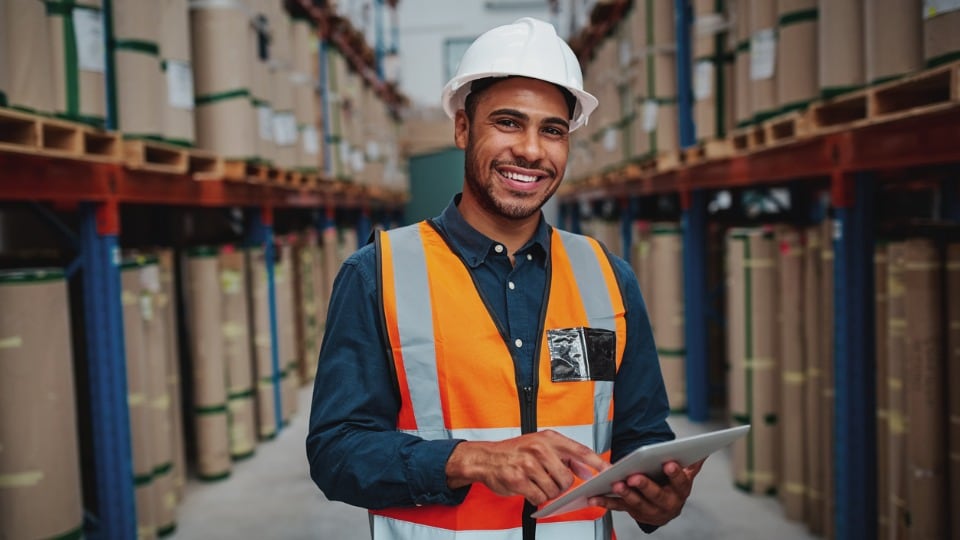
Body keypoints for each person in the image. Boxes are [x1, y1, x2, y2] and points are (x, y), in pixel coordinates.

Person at [306, 17, 702, 539]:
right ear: (463, 129)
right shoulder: (379, 274)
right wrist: (471, 461)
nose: (533, 151)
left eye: (552, 131)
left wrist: (657, 496)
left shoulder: (607, 278)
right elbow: (336, 453)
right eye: (509, 123)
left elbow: (639, 433)